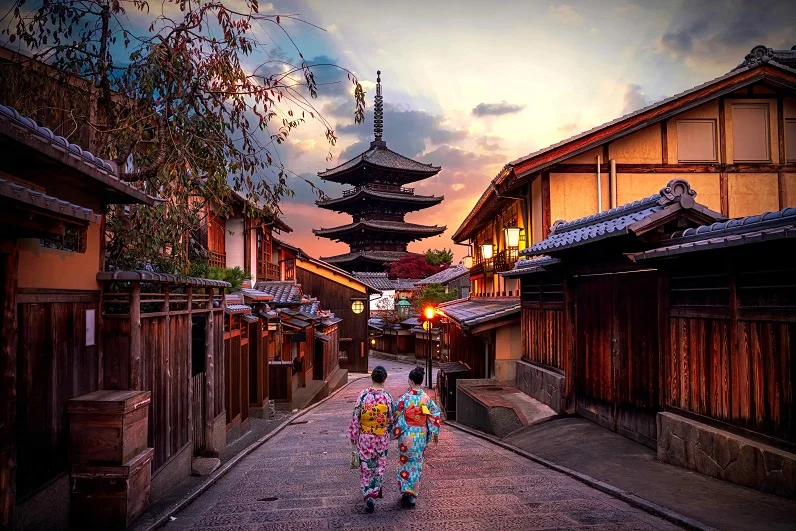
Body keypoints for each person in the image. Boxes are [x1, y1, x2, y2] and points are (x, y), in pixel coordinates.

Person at [392, 366, 441, 509]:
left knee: (404, 462)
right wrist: (435, 433)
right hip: (420, 435)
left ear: (411, 381)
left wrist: (397, 429)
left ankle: (406, 492)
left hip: (407, 434)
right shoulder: (426, 398)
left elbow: (396, 414)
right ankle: (412, 495)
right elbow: (434, 415)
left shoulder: (404, 397)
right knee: (417, 464)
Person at [348, 365, 395, 513]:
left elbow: (356, 416)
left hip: (365, 437)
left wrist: (354, 436)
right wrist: (386, 430)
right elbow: (392, 418)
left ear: (372, 377)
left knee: (366, 466)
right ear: (384, 379)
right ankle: (374, 493)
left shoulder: (363, 395)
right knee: (379, 465)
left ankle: (368, 493)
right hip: (381, 437)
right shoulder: (387, 397)